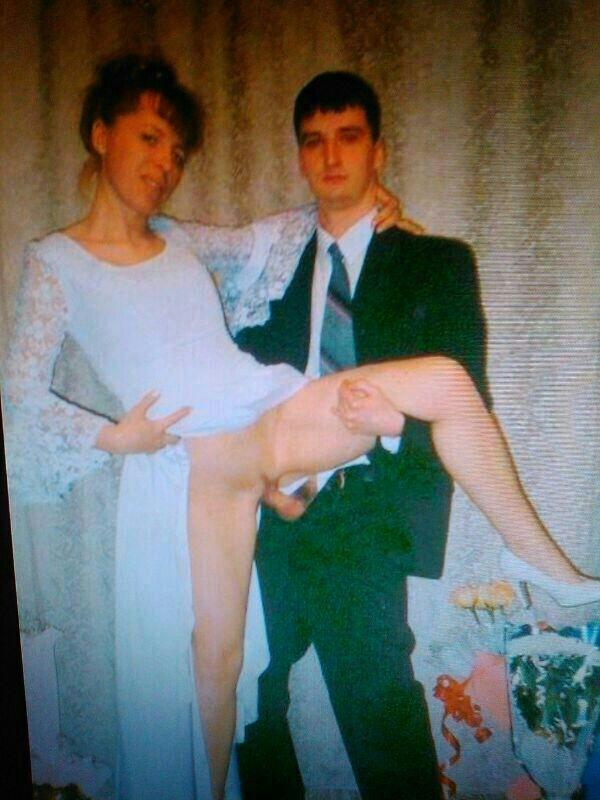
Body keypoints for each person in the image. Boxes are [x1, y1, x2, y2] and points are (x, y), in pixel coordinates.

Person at [3, 55, 598, 800]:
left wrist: (377, 209)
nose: (165, 164)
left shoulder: (187, 242)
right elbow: (20, 396)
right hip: (219, 468)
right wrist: (113, 436)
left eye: (176, 151)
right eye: (150, 139)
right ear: (100, 134)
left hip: (299, 451)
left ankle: (542, 563)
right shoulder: (61, 260)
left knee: (445, 384)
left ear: (376, 151)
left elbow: (285, 235)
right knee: (224, 676)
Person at [233, 71, 600, 800]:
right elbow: (232, 391)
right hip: (266, 518)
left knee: (381, 720)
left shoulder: (437, 264)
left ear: (379, 151)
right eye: (314, 141)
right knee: (247, 705)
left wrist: (397, 428)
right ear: (300, 155)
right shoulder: (264, 271)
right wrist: (256, 481)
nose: (331, 155)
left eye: (348, 137)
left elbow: (469, 407)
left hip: (363, 516)